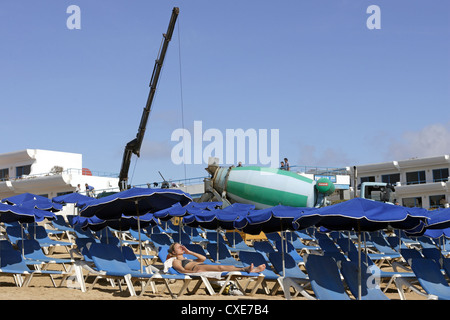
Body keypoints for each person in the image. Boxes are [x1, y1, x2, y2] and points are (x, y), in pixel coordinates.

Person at [167, 243, 266, 274]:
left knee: (228, 266)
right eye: (179, 247)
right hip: (197, 269)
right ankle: (245, 269)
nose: (181, 248)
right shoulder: (175, 261)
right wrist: (197, 272)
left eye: (181, 246)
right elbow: (182, 271)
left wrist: (190, 252)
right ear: (174, 252)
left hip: (201, 265)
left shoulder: (188, 258)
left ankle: (251, 270)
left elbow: (203, 258)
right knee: (220, 268)